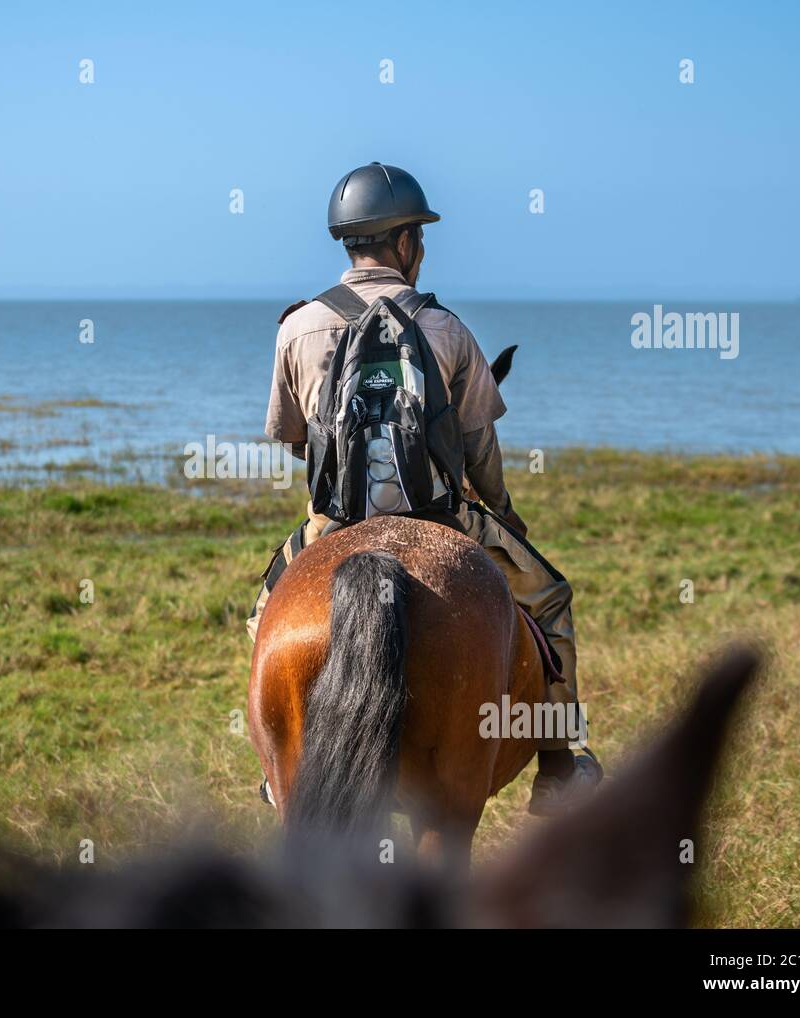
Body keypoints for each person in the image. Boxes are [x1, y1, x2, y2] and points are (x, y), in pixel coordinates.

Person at [248, 162, 600, 815]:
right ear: (406, 241)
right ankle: (557, 769)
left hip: (334, 524)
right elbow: (478, 448)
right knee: (550, 600)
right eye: (420, 238)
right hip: (443, 520)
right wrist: (504, 510)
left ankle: (278, 767)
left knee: (265, 613)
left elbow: (295, 438)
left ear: (348, 241)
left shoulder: (296, 329)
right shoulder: (447, 329)